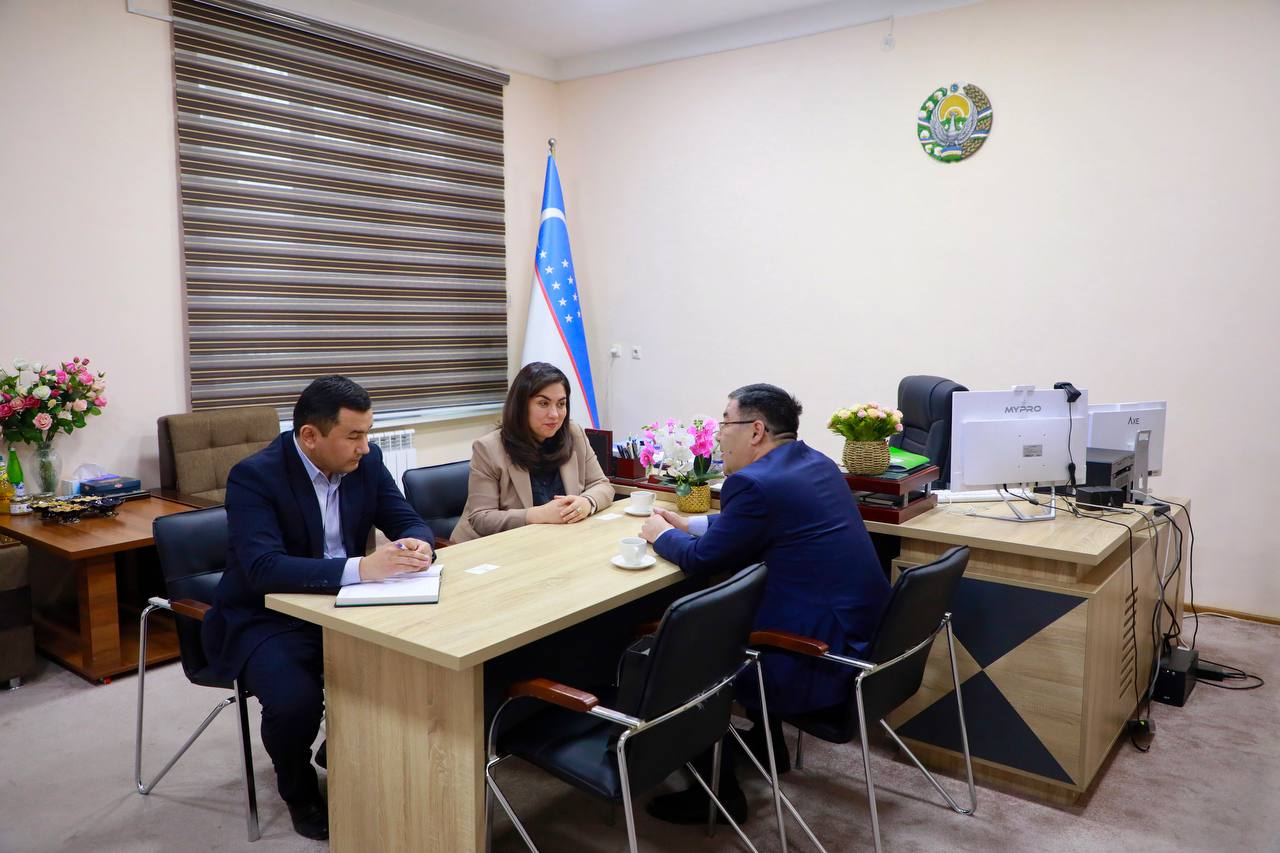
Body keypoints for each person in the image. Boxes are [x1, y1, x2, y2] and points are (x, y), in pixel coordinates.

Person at [638, 383, 891, 825]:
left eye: (725, 422)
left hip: (818, 660)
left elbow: (702, 561)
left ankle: (718, 795)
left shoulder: (752, 483)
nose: (719, 434)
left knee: (687, 657)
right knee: (738, 618)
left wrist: (661, 535)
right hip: (862, 644)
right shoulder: (815, 463)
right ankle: (766, 743)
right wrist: (691, 524)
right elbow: (759, 521)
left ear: (756, 431)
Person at [201, 376, 434, 840]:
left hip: (346, 605)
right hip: (267, 615)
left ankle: (343, 746)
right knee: (296, 702)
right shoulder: (255, 476)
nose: (365, 447)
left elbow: (407, 519)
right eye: (354, 436)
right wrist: (360, 569)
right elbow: (263, 568)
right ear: (310, 436)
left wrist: (417, 544)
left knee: (420, 661)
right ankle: (298, 788)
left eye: (367, 434)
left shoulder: (367, 462)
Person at [451, 361, 613, 542]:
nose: (554, 414)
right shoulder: (489, 448)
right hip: (490, 547)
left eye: (561, 404)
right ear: (521, 406)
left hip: (551, 540)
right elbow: (481, 519)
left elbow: (602, 485)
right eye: (543, 403)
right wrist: (538, 514)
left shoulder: (574, 434)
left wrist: (587, 502)